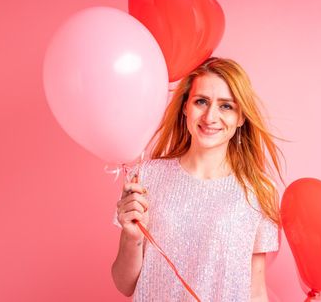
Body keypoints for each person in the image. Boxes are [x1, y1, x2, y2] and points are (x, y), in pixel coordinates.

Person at [111, 57, 284, 301]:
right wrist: (132, 236)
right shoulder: (145, 176)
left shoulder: (260, 189)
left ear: (241, 117)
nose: (210, 117)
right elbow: (124, 284)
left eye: (226, 106)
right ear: (185, 107)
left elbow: (255, 289)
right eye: (201, 101)